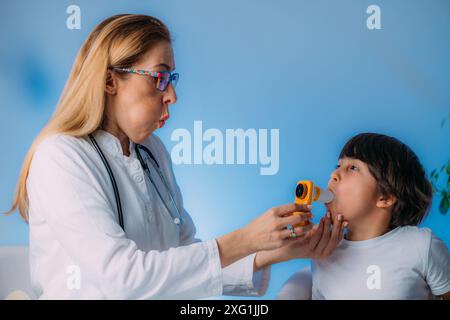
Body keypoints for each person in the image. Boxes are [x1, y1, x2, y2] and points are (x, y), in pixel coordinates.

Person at [6, 14, 344, 299]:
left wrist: (270, 252)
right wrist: (245, 239)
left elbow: (180, 264)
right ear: (111, 81)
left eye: (172, 79)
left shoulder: (153, 153)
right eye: (160, 77)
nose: (172, 96)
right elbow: (122, 279)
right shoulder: (61, 158)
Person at [279, 133, 450, 299]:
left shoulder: (421, 246)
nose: (334, 175)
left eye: (353, 168)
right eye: (337, 166)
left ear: (385, 198)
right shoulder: (324, 254)